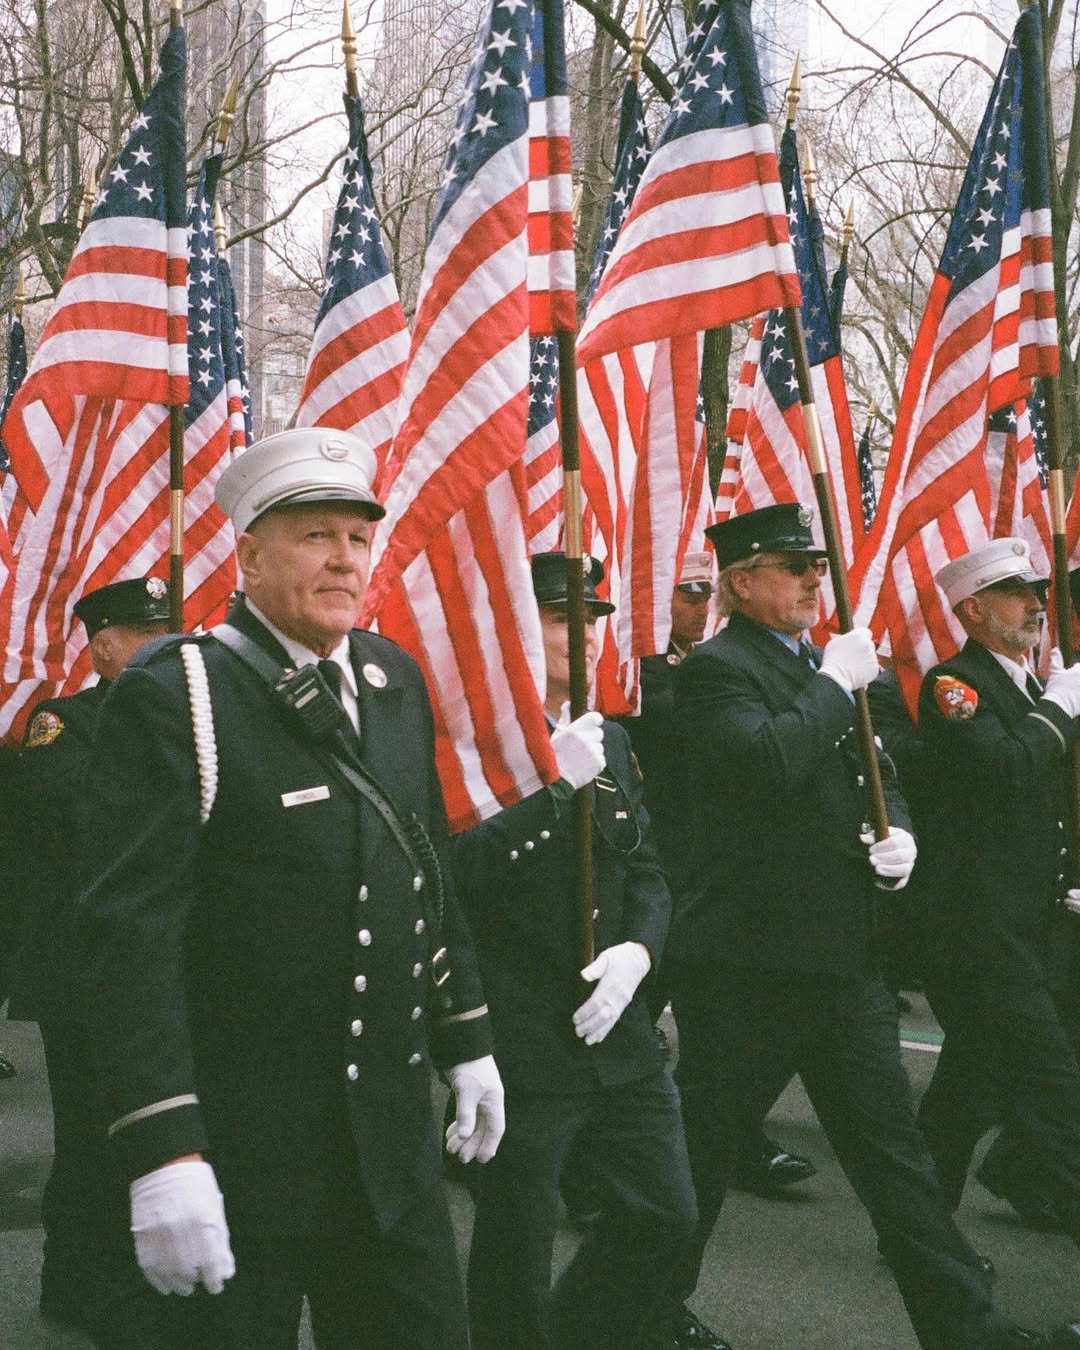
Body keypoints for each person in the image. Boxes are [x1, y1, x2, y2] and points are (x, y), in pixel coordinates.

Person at [73, 427, 505, 1350]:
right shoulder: (180, 692)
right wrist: (163, 1149)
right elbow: (128, 939)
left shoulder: (390, 678)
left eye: (357, 537)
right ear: (251, 552)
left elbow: (424, 873)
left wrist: (465, 1037)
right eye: (316, 536)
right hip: (240, 1152)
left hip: (386, 1153)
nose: (345, 559)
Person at [661, 503, 1048, 1350]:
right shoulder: (721, 670)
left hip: (842, 961)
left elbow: (886, 762)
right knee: (695, 1153)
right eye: (791, 567)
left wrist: (896, 825)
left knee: (898, 1166)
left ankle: (967, 1328)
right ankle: (622, 1313)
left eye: (815, 566)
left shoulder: (840, 662)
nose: (812, 580)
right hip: (748, 965)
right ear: (741, 581)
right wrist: (834, 683)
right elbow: (767, 762)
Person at [450, 551, 702, 1350]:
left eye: (594, 620)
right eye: (564, 620)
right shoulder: (471, 745)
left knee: (666, 1216)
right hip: (520, 1034)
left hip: (617, 1033)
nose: (585, 636)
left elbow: (649, 869)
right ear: (517, 628)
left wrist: (638, 954)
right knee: (517, 1245)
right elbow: (454, 879)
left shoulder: (612, 742)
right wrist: (551, 789)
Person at [913, 538, 1080, 1347]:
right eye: (1016, 594)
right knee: (1057, 1101)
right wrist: (1060, 711)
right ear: (973, 610)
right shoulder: (955, 686)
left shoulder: (1030, 687)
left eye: (1038, 591)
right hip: (977, 936)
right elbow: (1005, 774)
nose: (1036, 605)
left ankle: (915, 1236)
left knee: (964, 1091)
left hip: (1026, 925)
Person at [616, 550, 816, 1199]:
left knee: (723, 1048)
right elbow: (677, 736)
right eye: (689, 592)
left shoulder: (716, 666)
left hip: (705, 868)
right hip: (653, 863)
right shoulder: (644, 669)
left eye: (708, 591)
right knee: (627, 1015)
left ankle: (729, 1141)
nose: (704, 605)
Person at [14, 577, 171, 1335]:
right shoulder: (61, 724)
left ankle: (144, 1273)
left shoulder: (187, 719)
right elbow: (83, 814)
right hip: (80, 966)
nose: (163, 644)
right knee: (91, 1134)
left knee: (153, 1124)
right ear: (102, 647)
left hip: (162, 962)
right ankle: (74, 1282)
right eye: (145, 634)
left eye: (167, 628)